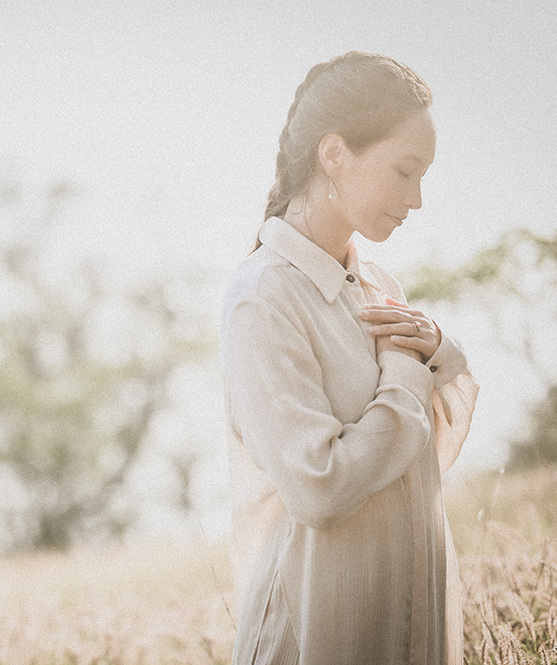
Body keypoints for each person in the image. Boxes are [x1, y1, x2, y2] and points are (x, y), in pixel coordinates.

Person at [220, 51, 479, 664]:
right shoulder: (263, 298)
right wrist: (406, 378)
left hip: (402, 608)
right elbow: (322, 489)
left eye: (424, 177)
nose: (416, 199)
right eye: (404, 171)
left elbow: (420, 463)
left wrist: (443, 351)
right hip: (318, 626)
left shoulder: (377, 286)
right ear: (333, 154)